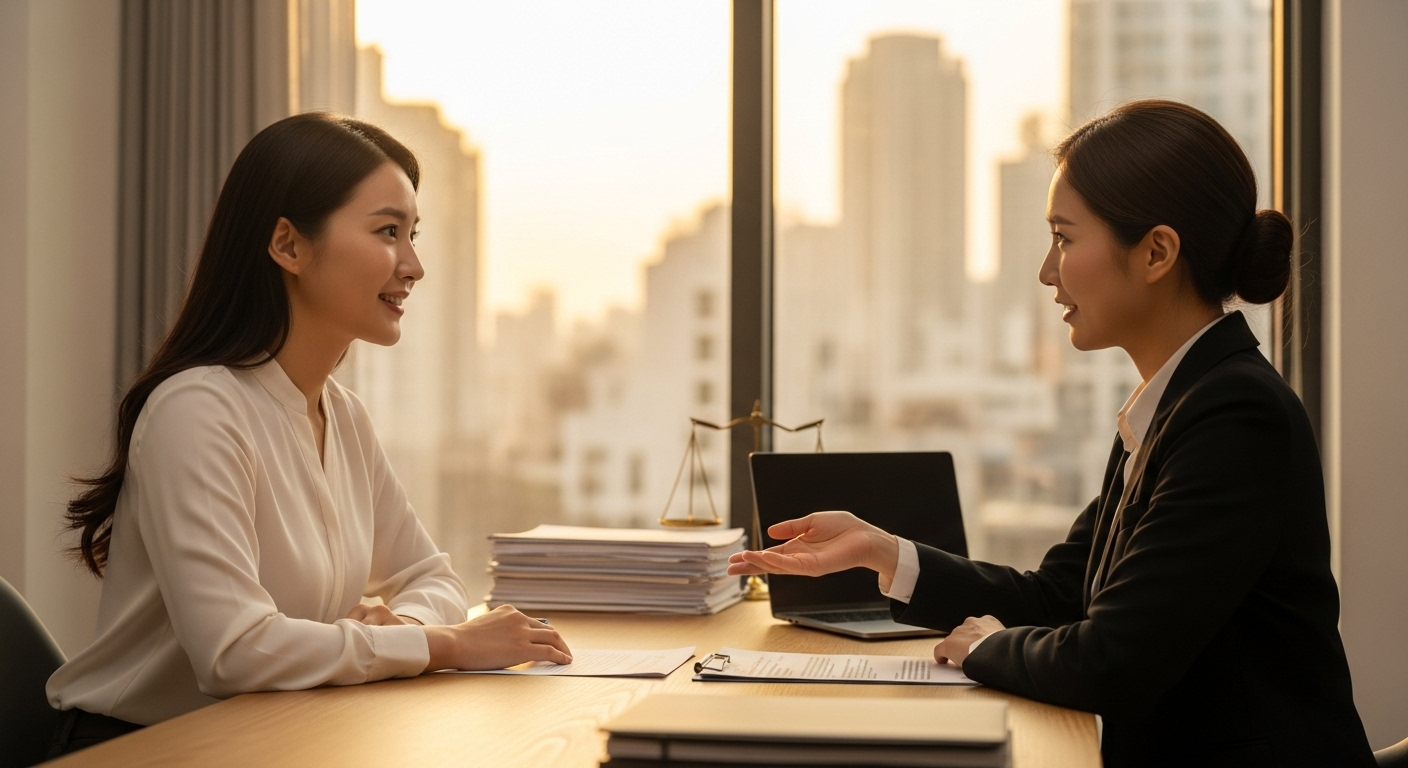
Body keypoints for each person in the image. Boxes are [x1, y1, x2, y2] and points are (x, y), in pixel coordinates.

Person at [728, 100, 1374, 767]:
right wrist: (886, 552)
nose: (1046, 271)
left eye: (1065, 239)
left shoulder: (1236, 414)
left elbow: (1109, 659)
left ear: (1156, 252)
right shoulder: (1174, 406)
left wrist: (983, 648)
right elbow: (1061, 598)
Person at [46, 113, 571, 757]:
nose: (414, 266)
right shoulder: (196, 411)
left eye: (413, 235)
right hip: (138, 747)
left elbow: (431, 577)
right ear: (288, 246)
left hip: (270, 739)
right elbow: (234, 652)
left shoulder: (341, 414)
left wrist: (404, 624)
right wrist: (444, 644)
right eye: (387, 232)